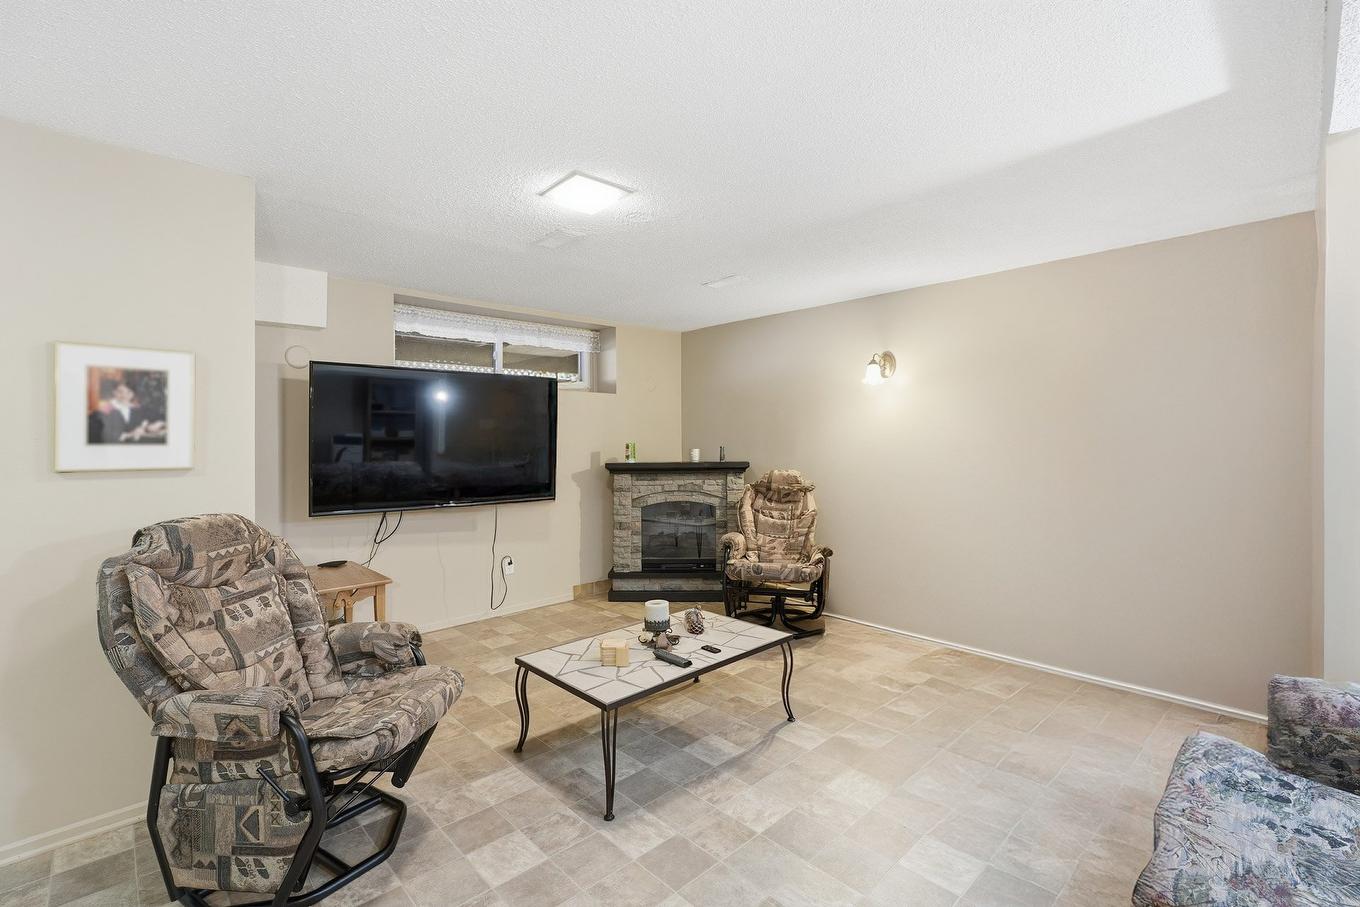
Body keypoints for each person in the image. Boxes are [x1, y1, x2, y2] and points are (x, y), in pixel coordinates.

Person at [88, 380, 166, 444]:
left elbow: (161, 417)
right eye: (120, 392)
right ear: (114, 392)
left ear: (133, 394)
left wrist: (152, 426)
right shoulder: (105, 409)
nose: (124, 395)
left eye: (129, 392)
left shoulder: (138, 408)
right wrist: (129, 434)